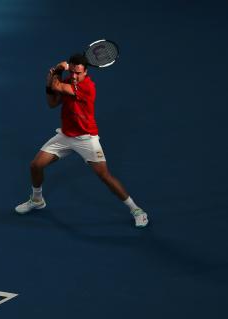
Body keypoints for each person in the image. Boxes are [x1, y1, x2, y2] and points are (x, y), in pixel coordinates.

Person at [15, 54, 149, 227]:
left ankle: (137, 210)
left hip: (86, 139)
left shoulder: (88, 87)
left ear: (86, 72)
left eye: (78, 73)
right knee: (35, 165)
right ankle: (37, 199)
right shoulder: (70, 82)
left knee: (105, 176)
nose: (75, 76)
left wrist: (57, 70)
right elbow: (52, 103)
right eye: (72, 72)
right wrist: (51, 84)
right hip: (65, 136)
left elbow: (56, 84)